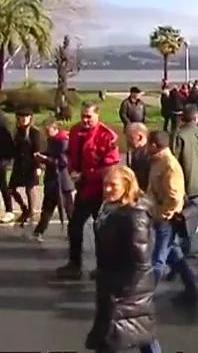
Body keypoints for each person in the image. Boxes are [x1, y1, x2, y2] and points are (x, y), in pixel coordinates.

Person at [85, 165, 161, 353]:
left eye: (113, 185)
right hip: (116, 286)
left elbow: (140, 261)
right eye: (105, 184)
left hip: (127, 291)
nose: (107, 189)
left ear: (127, 186)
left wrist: (122, 289)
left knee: (114, 338)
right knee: (141, 332)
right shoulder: (112, 207)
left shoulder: (134, 215)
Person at [57, 101, 121, 280]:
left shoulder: (107, 136)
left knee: (101, 229)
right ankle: (74, 264)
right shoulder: (76, 131)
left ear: (97, 115)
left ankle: (104, 267)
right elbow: (70, 154)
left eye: (89, 117)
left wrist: (85, 176)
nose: (85, 120)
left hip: (101, 190)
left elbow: (110, 167)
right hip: (83, 189)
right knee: (75, 226)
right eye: (83, 116)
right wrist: (72, 171)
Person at [147, 130, 198, 303]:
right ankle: (191, 287)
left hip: (167, 218)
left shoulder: (168, 165)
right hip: (160, 214)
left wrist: (162, 214)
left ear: (155, 145)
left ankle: (145, 296)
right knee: (173, 253)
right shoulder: (159, 161)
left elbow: (174, 196)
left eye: (149, 144)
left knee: (158, 258)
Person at [172, 104, 198, 260]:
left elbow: (174, 160)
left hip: (185, 178)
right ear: (196, 118)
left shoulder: (179, 135)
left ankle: (194, 245)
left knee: (189, 213)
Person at [32, 117, 74, 241]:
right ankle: (38, 232)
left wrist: (44, 159)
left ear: (54, 129)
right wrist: (42, 155)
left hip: (61, 180)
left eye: (47, 130)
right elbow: (51, 154)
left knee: (69, 210)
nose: (45, 133)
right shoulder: (52, 140)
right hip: (52, 179)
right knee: (48, 208)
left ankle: (73, 232)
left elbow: (62, 162)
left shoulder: (62, 142)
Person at [9, 108, 42, 228]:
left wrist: (38, 166)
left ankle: (31, 212)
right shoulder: (17, 131)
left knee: (30, 189)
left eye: (26, 117)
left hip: (30, 164)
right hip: (19, 164)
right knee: (11, 189)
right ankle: (25, 209)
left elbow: (37, 150)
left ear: (30, 118)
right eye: (21, 117)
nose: (23, 119)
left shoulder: (34, 132)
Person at [126, 123, 152, 191]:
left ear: (139, 137)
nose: (127, 140)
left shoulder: (149, 155)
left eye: (130, 137)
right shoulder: (136, 151)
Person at [0, 109, 14, 223]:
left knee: (2, 184)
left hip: (1, 157)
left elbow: (7, 138)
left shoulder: (1, 118)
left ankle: (9, 210)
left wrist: (7, 157)